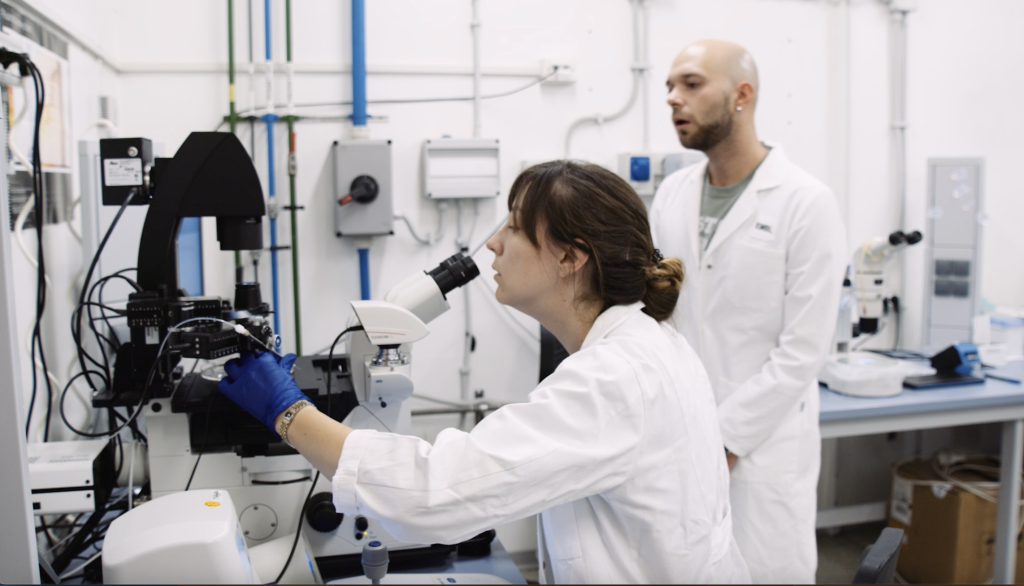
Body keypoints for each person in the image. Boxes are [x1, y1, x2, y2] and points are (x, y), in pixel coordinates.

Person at [218, 161, 750, 584]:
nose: (493, 242)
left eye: (515, 227)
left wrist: (285, 412)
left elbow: (434, 492)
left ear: (570, 257)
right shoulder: (651, 341)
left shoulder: (615, 378)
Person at [650, 40, 847, 583]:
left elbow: (804, 352)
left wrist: (725, 440)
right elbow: (661, 315)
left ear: (742, 95)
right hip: (680, 436)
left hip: (761, 449)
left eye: (690, 84)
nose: (672, 98)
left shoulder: (806, 202)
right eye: (669, 86)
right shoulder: (672, 194)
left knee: (763, 571)